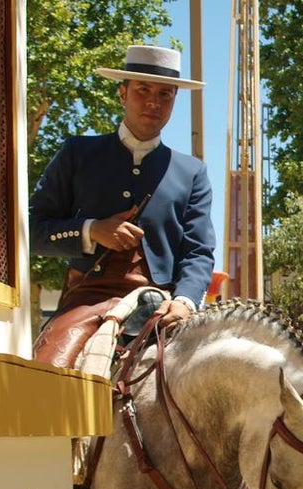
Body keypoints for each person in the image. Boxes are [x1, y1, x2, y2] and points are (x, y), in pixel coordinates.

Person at [29, 45, 215, 368]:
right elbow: (32, 230)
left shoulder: (192, 173)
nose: (154, 102)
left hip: (162, 303)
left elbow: (198, 252)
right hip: (87, 299)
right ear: (122, 94)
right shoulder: (77, 154)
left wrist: (185, 301)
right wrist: (92, 231)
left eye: (165, 94)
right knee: (47, 368)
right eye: (143, 90)